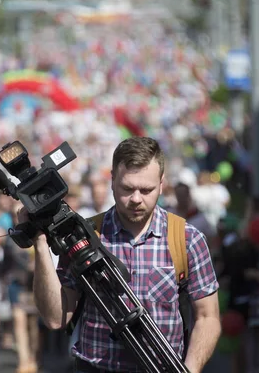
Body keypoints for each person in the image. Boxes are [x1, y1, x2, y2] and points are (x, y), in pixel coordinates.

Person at [20, 137, 220, 373]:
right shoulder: (83, 234)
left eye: (146, 190)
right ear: (112, 179)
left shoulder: (187, 239)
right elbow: (56, 318)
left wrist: (191, 368)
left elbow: (208, 317)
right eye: (127, 188)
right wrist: (40, 242)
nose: (136, 198)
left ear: (162, 183)